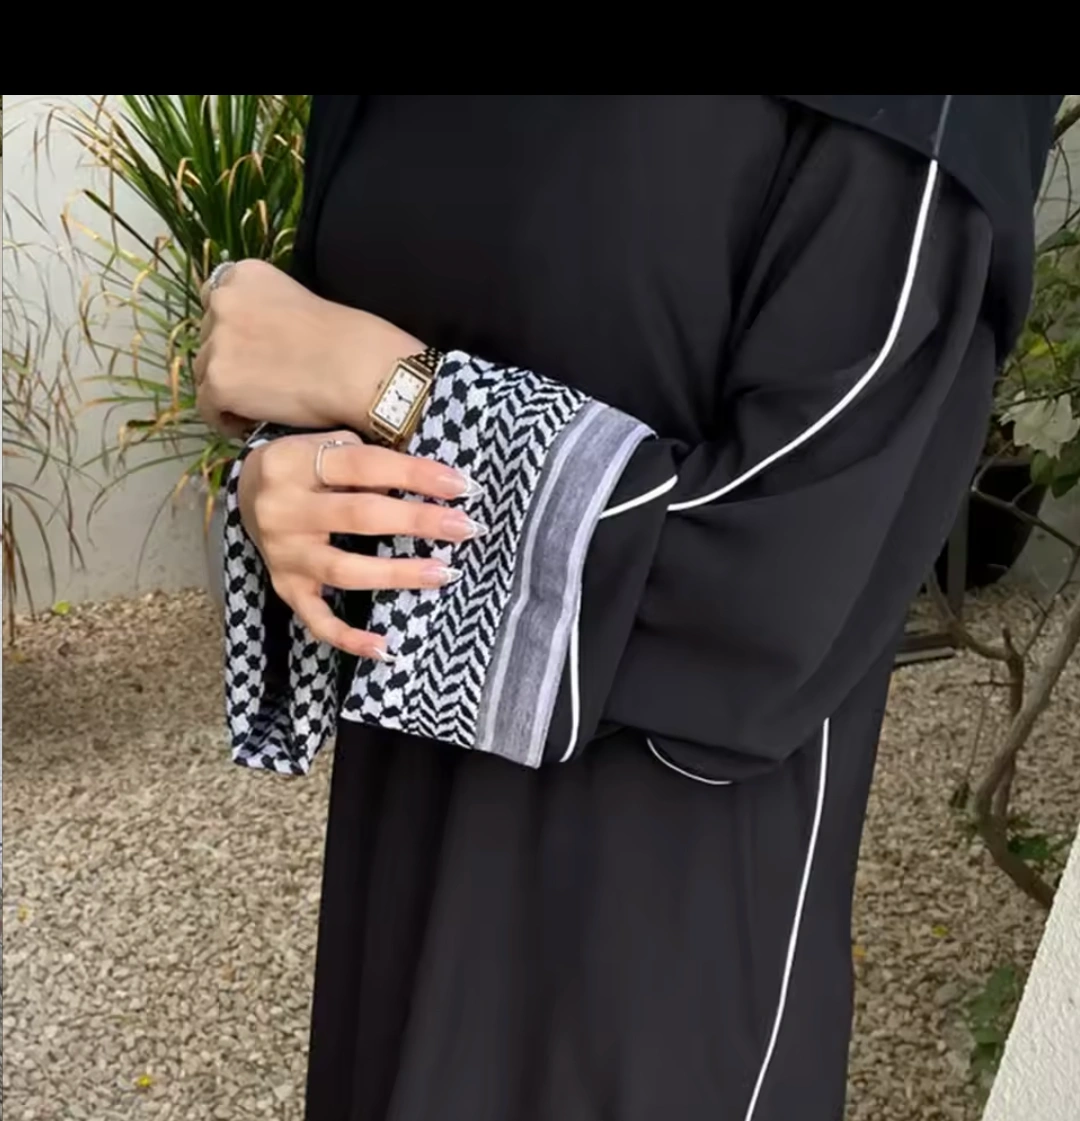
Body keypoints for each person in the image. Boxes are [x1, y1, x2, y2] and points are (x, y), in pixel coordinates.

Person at [195, 95, 1062, 1121]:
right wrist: (291, 477)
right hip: (400, 852)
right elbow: (349, 375)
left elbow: (782, 586)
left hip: (647, 925)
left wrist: (392, 388)